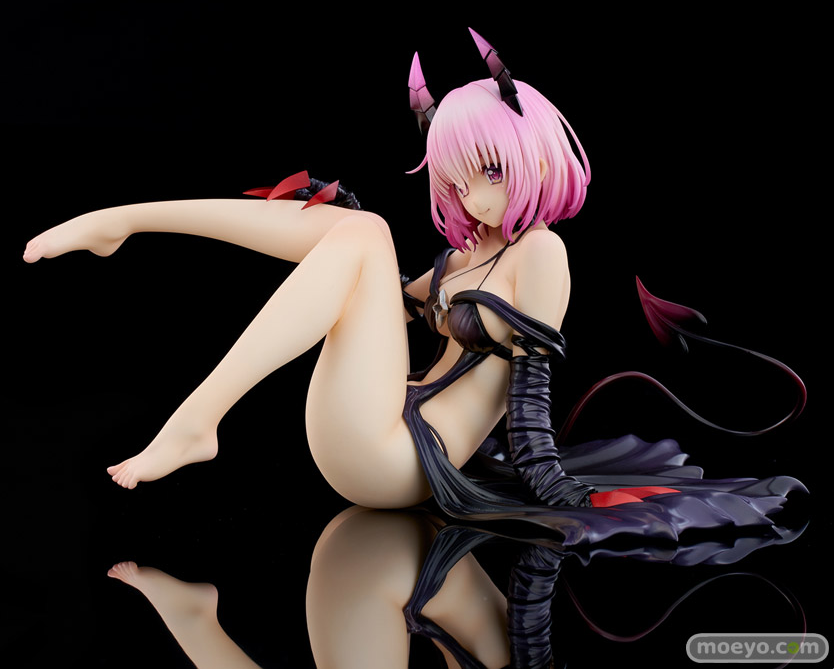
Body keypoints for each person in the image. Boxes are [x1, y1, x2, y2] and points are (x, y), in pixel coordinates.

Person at [22, 29, 806, 547]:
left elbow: (529, 394)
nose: (473, 198)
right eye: (457, 181)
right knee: (352, 230)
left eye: (488, 172)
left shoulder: (543, 253)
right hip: (370, 430)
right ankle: (127, 219)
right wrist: (343, 226)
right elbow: (364, 294)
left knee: (363, 234)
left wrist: (553, 494)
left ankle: (194, 419)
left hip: (401, 462)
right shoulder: (466, 257)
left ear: (535, 155)